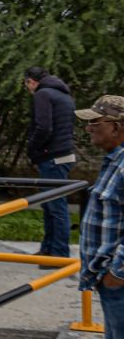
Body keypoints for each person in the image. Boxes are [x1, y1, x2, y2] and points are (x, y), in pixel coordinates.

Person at [74, 95, 124, 338]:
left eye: (95, 122)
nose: (88, 128)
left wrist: (116, 274)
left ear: (116, 127)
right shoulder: (115, 160)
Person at [24, 66, 76, 260]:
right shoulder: (64, 95)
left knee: (56, 207)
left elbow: (43, 127)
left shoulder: (42, 94)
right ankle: (48, 249)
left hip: (52, 157)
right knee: (49, 205)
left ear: (31, 81)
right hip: (63, 155)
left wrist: (32, 148)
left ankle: (59, 254)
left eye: (26, 84)